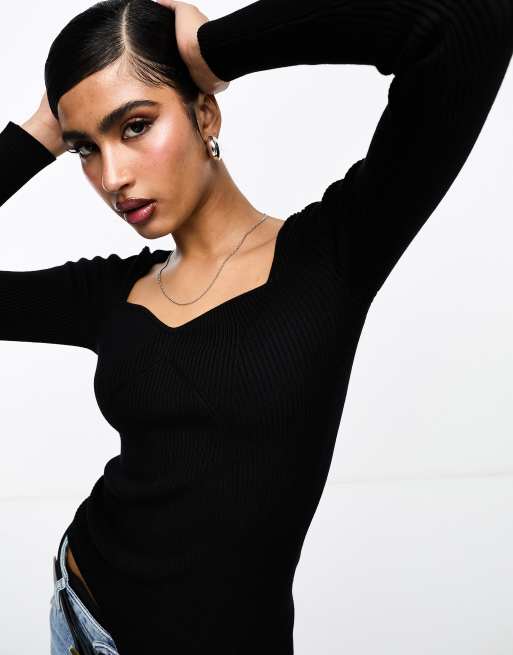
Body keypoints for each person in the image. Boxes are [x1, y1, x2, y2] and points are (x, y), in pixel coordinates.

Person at [1, 0, 511, 652]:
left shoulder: (331, 255)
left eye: (134, 126)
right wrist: (40, 131)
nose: (112, 176)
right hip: (79, 615)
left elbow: (468, 20)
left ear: (204, 114)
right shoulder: (111, 292)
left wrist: (216, 50)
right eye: (85, 149)